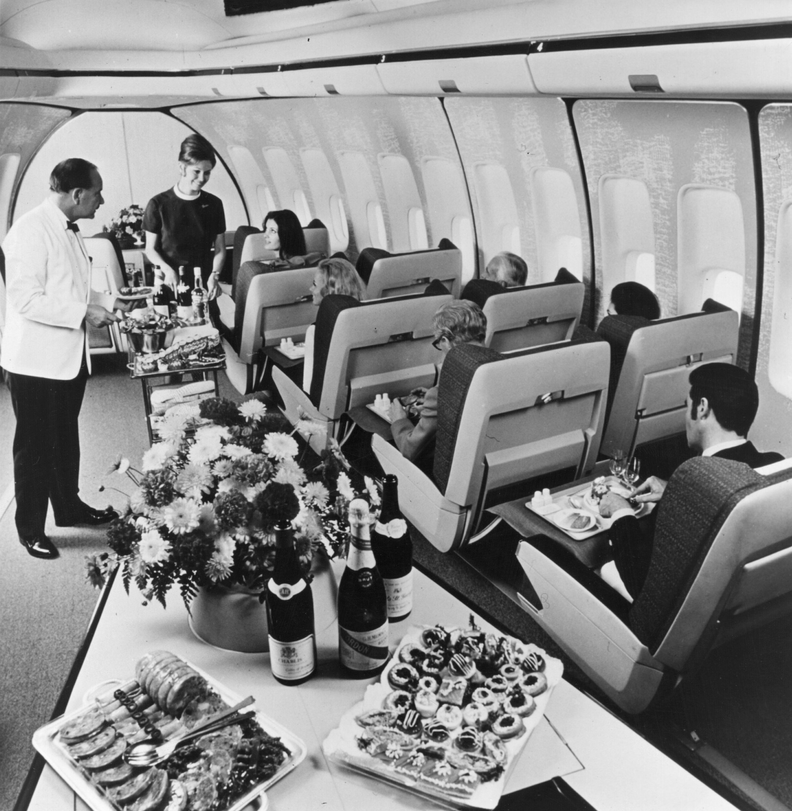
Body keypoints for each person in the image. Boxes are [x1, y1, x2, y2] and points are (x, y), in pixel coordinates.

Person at [2, 159, 133, 559]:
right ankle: (30, 530)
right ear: (77, 195)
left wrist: (108, 301)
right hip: (36, 363)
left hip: (67, 359)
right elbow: (27, 300)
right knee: (35, 448)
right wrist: (84, 313)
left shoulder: (68, 228)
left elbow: (68, 287)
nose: (102, 200)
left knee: (64, 440)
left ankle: (68, 507)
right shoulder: (29, 231)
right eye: (97, 193)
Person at [598, 362, 784, 598]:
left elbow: (641, 583)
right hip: (737, 605)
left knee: (602, 568)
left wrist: (621, 512)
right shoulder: (774, 464)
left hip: (660, 619)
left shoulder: (693, 478)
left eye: (687, 407)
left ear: (702, 408)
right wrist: (672, 492)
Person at [388, 299, 487, 464]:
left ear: (446, 341)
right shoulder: (501, 368)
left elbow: (410, 449)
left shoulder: (442, 393)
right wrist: (433, 401)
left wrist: (399, 420)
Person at [143, 133, 226, 300]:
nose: (202, 178)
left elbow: (220, 249)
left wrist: (214, 276)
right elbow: (150, 249)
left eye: (207, 173)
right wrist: (167, 270)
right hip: (169, 280)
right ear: (181, 168)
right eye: (196, 171)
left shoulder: (214, 204)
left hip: (202, 283)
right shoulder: (158, 204)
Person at [302, 257, 366, 390]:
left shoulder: (314, 331)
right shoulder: (367, 319)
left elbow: (308, 387)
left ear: (329, 291)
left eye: (314, 284)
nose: (310, 289)